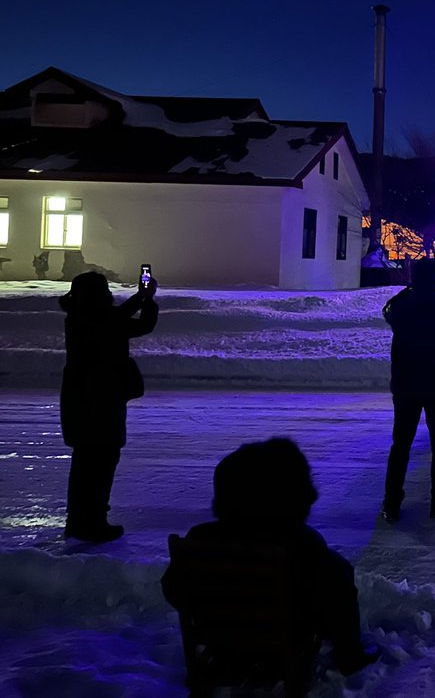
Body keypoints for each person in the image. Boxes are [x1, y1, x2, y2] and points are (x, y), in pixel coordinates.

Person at [162, 438, 379, 676]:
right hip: (283, 637)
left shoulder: (199, 539)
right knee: (338, 574)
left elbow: (174, 589)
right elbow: (335, 602)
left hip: (222, 640)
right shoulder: (304, 545)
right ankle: (350, 658)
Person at [59, 270, 159, 542]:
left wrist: (140, 297)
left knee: (84, 465)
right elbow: (140, 325)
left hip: (80, 401)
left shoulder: (78, 317)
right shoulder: (104, 320)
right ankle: (94, 523)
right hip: (102, 400)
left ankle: (78, 521)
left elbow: (116, 318)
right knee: (101, 464)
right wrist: (147, 299)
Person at [381, 257, 435, 519]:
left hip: (406, 382)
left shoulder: (403, 303)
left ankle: (392, 500)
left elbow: (388, 313)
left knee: (401, 444)